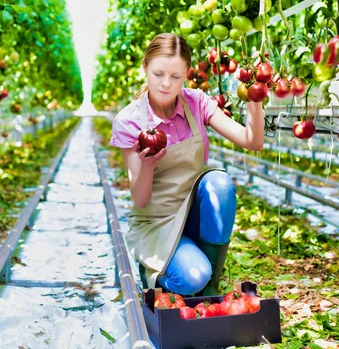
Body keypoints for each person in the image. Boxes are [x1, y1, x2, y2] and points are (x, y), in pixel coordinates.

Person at [109, 33, 264, 296]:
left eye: (176, 77)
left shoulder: (197, 102)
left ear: (187, 74)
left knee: (220, 183)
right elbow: (141, 199)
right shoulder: (129, 121)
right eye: (158, 74)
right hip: (156, 221)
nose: (166, 84)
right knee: (192, 278)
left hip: (192, 213)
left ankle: (210, 287)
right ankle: (156, 271)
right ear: (145, 68)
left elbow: (252, 141)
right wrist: (147, 166)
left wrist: (256, 98)